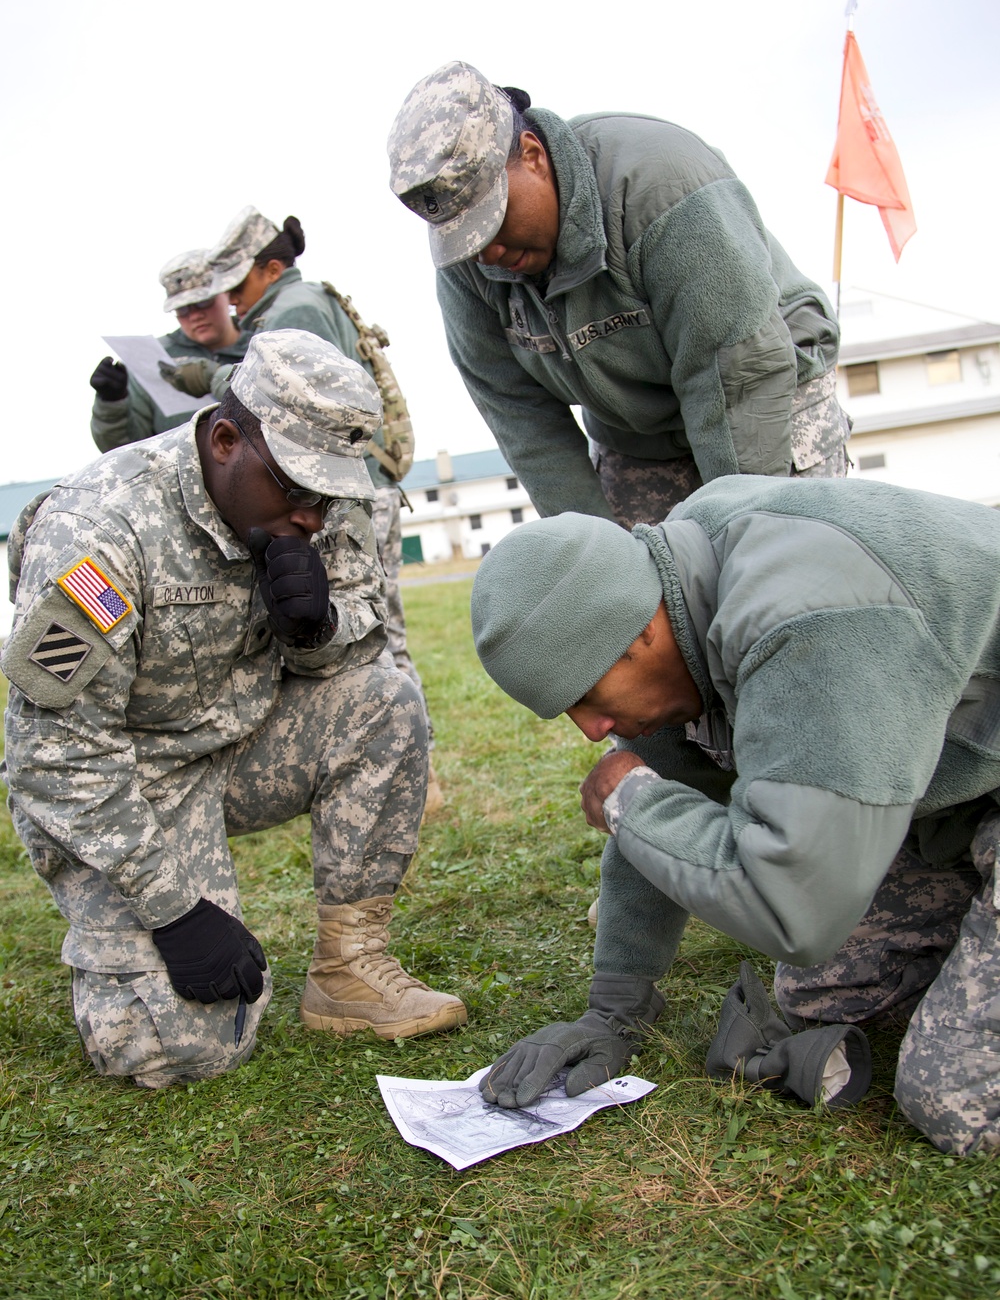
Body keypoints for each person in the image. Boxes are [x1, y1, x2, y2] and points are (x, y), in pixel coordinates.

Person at [468, 475, 1000, 1155]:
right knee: (825, 993)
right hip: (967, 791)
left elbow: (795, 910)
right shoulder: (677, 577)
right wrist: (615, 1007)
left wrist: (631, 802)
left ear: (639, 631)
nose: (591, 730)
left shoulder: (807, 614)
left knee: (951, 1097)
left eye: (585, 697)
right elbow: (666, 772)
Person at [2, 329, 465, 1089]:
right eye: (299, 490)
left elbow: (357, 638)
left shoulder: (308, 497)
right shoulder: (99, 530)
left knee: (386, 698)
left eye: (329, 495)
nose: (316, 516)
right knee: (184, 1045)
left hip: (236, 741)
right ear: (224, 439)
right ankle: (128, 954)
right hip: (128, 781)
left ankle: (349, 970)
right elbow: (54, 756)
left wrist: (317, 628)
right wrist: (174, 909)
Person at [387, 60, 849, 530]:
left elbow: (736, 376)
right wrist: (601, 561)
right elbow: (521, 418)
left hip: (764, 389)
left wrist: (744, 547)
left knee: (773, 569)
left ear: (532, 155)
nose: (487, 253)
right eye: (464, 238)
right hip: (635, 432)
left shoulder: (661, 187)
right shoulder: (469, 268)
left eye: (491, 220)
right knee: (630, 586)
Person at [208, 206, 442, 809]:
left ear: (272, 268)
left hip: (337, 491)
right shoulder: (299, 304)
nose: (231, 303)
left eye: (237, 286)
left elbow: (281, 409)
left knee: (374, 630)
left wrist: (202, 381)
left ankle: (413, 772)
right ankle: (414, 770)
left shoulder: (296, 311)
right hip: (349, 485)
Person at [89, 248, 249, 453]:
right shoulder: (155, 358)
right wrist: (111, 403)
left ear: (226, 292)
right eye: (182, 309)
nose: (194, 315)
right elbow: (122, 450)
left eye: (202, 302)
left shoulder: (260, 343)